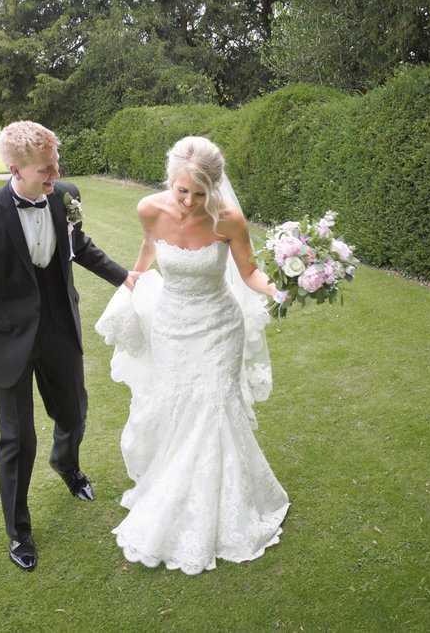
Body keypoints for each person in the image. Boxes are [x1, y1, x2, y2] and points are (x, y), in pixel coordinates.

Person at [0, 121, 140, 572]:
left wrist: (124, 276)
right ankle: (19, 532)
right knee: (17, 439)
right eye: (46, 169)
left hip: (59, 329)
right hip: (7, 342)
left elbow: (78, 245)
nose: (56, 174)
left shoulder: (65, 194)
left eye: (56, 165)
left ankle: (66, 464)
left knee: (74, 413)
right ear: (15, 168)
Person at [95, 136, 290, 575]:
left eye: (199, 193)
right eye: (182, 190)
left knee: (215, 404)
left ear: (214, 187)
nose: (188, 201)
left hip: (219, 326)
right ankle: (175, 486)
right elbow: (149, 247)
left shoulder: (228, 219)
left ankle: (223, 505)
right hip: (170, 325)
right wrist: (136, 276)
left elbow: (250, 271)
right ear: (171, 180)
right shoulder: (149, 209)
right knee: (178, 406)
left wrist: (276, 289)